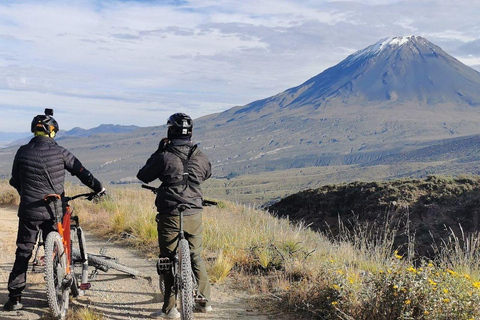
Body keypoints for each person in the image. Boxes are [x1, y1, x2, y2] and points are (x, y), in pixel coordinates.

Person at [3, 109, 105, 311]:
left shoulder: (22, 151)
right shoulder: (60, 152)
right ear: (53, 132)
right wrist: (99, 187)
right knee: (58, 248)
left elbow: (14, 180)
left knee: (24, 250)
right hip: (55, 209)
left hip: (29, 210)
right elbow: (82, 172)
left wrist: (26, 193)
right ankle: (56, 287)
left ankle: (14, 298)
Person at [137, 113, 212, 319]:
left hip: (169, 212)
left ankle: (170, 309)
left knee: (167, 258)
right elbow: (207, 173)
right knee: (195, 254)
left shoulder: (164, 156)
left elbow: (143, 175)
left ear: (170, 131)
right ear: (191, 133)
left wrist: (160, 150)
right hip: (194, 212)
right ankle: (204, 300)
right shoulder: (200, 156)